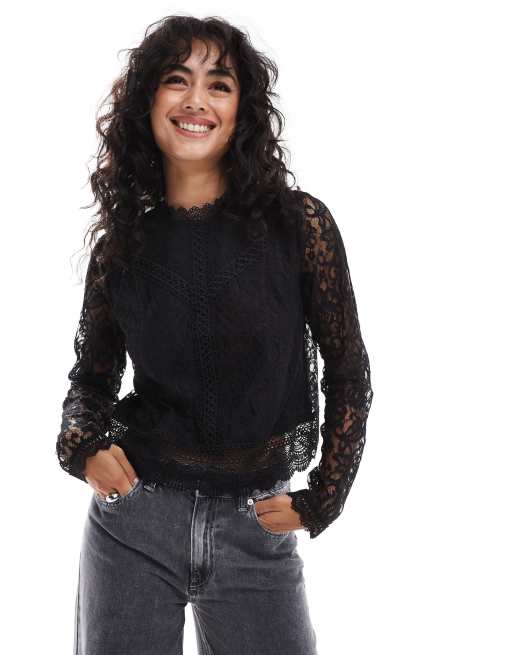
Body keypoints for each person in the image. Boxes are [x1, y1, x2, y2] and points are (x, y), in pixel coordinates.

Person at [56, 15, 374, 655]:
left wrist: (323, 498)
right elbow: (91, 380)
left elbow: (348, 372)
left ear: (241, 112)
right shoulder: (123, 245)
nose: (195, 100)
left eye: (219, 85)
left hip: (256, 528)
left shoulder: (299, 226)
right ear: (149, 101)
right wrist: (83, 447)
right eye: (177, 80)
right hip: (132, 527)